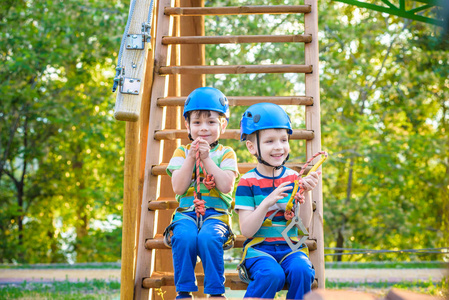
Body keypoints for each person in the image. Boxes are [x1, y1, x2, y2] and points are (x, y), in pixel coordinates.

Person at [235, 103, 320, 300]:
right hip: (259, 250)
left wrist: (305, 194)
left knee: (303, 270)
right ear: (251, 147)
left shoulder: (293, 178)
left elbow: (303, 226)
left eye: (283, 139)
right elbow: (247, 230)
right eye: (270, 141)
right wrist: (267, 202)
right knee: (272, 274)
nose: (278, 147)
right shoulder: (247, 181)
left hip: (290, 248)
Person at [164, 87, 239, 299]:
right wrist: (191, 158)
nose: (203, 128)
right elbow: (178, 187)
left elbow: (226, 186)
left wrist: (206, 159)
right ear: (187, 126)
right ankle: (184, 291)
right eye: (197, 123)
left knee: (208, 237)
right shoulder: (181, 152)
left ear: (222, 125)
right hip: (187, 213)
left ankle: (216, 293)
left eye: (211, 122)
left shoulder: (226, 153)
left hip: (215, 215)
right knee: (184, 236)